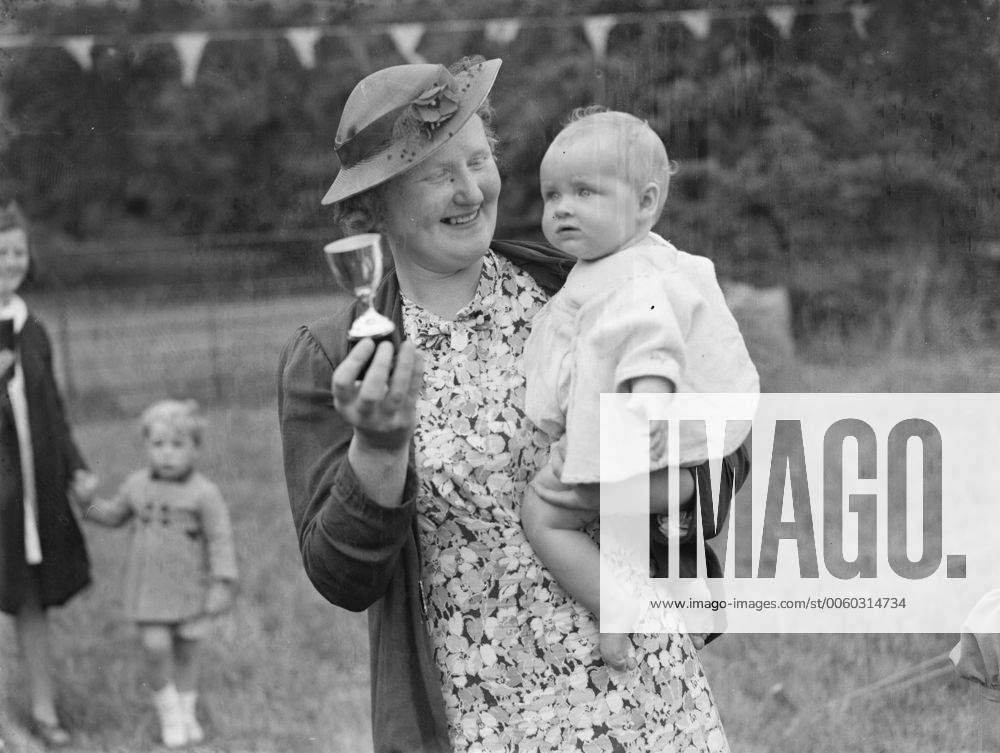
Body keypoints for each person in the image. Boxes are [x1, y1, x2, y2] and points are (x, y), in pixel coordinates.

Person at [279, 56, 748, 752]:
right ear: (375, 204)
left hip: (642, 682)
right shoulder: (338, 355)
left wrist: (661, 484)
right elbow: (342, 574)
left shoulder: (579, 287)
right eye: (438, 173)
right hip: (485, 715)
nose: (471, 188)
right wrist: (377, 448)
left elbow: (722, 438)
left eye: (479, 159)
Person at [519, 108, 759, 670]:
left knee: (544, 512)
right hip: (698, 455)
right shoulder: (630, 264)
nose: (563, 208)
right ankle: (690, 598)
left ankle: (615, 608)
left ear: (646, 203)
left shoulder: (629, 278)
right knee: (643, 532)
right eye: (552, 195)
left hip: (671, 455)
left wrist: (649, 405)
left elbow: (651, 345)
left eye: (584, 192)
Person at [74, 399, 237, 748]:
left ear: (196, 448)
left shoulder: (204, 494)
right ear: (146, 445)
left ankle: (186, 710)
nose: (166, 454)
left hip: (190, 587)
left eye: (177, 445)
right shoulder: (137, 486)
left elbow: (220, 539)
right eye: (158, 444)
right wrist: (87, 502)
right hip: (149, 589)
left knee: (188, 650)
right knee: (155, 645)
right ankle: (169, 713)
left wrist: (222, 582)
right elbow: (113, 515)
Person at [0, 201, 94, 748]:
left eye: (17, 252)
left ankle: (42, 709)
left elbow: (54, 413)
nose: (10, 261)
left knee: (31, 601)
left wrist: (77, 469)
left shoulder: (32, 330)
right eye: (0, 252)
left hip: (31, 497)